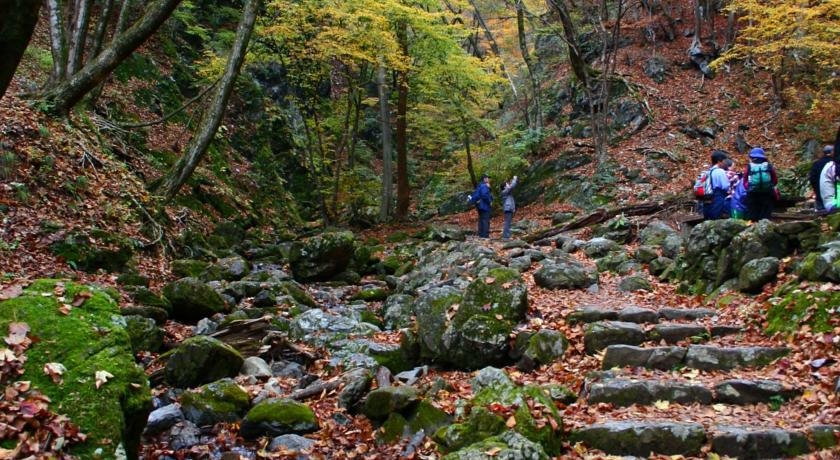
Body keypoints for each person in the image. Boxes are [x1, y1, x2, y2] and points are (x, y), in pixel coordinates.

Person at [742, 147, 778, 221]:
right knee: (765, 215)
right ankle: (765, 229)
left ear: (752, 157)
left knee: (753, 214)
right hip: (767, 194)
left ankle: (753, 229)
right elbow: (775, 180)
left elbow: (745, 180)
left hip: (753, 194)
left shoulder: (749, 166)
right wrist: (769, 186)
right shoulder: (768, 166)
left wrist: (749, 187)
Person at [703, 150, 731, 220]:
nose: (726, 163)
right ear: (719, 161)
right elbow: (725, 186)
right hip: (718, 198)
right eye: (724, 160)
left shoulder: (708, 171)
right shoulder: (720, 171)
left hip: (707, 198)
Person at [809, 145, 834, 211]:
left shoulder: (817, 163)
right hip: (832, 194)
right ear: (832, 152)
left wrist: (816, 188)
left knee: (820, 211)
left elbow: (812, 178)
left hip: (819, 191)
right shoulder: (834, 163)